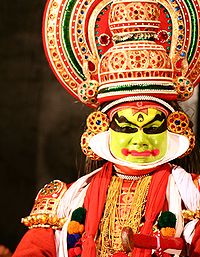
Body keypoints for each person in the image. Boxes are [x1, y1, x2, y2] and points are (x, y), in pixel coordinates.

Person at [13, 0, 200, 256]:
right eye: (126, 128)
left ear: (172, 128)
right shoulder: (64, 200)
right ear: (103, 128)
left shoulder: (193, 196)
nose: (140, 140)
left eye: (153, 128)